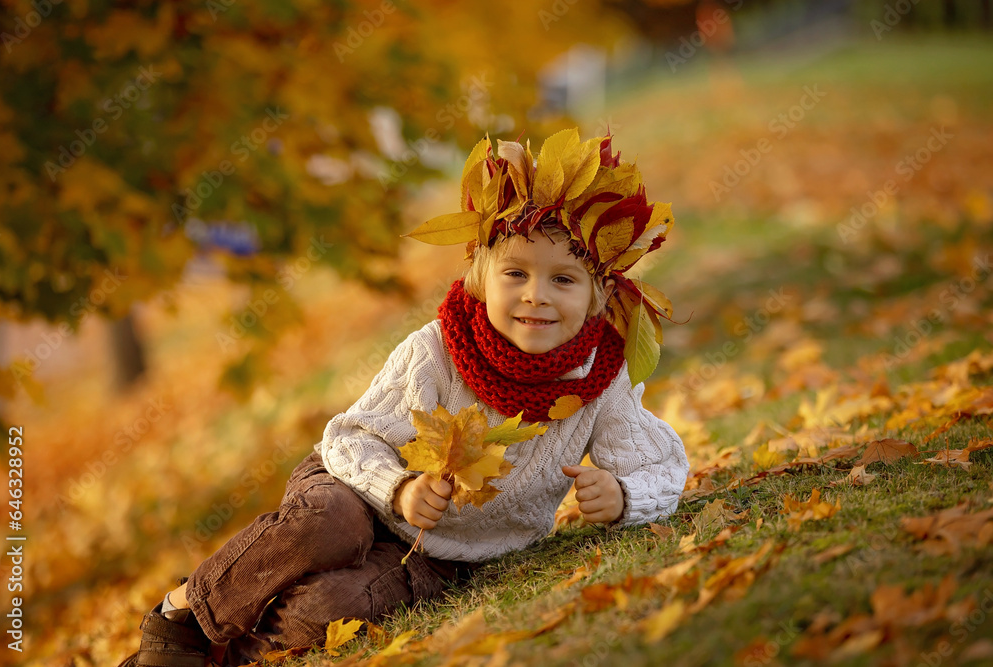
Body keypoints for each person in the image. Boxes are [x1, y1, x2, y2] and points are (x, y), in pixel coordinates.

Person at [120, 129, 690, 667]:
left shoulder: (598, 379)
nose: (535, 296)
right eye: (515, 273)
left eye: (563, 280)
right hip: (356, 488)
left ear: (600, 293)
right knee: (329, 527)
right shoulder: (439, 351)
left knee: (334, 607)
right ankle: (182, 619)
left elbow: (660, 466)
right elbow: (349, 438)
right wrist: (399, 487)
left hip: (438, 557)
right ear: (481, 276)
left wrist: (622, 494)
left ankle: (228, 654)